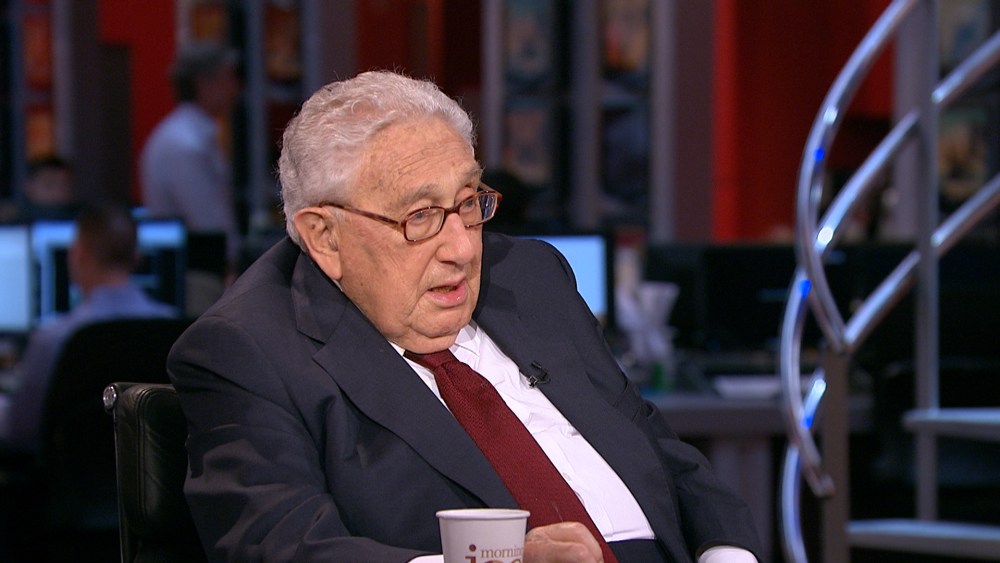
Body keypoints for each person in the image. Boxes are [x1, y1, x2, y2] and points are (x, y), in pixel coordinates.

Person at [168, 71, 762, 562]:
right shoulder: (246, 350)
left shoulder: (530, 277)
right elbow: (279, 546)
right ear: (325, 236)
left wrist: (727, 553)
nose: (463, 247)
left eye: (469, 202)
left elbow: (658, 451)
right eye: (421, 216)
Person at [0, 203, 177, 454]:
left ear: (78, 255)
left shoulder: (54, 339)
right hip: (148, 475)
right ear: (137, 256)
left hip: (69, 476)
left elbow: (19, 432)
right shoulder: (175, 331)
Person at [139, 40, 242, 314]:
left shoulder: (193, 136)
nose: (234, 88)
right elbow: (207, 222)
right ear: (203, 83)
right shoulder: (184, 143)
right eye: (227, 79)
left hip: (201, 271)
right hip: (196, 277)